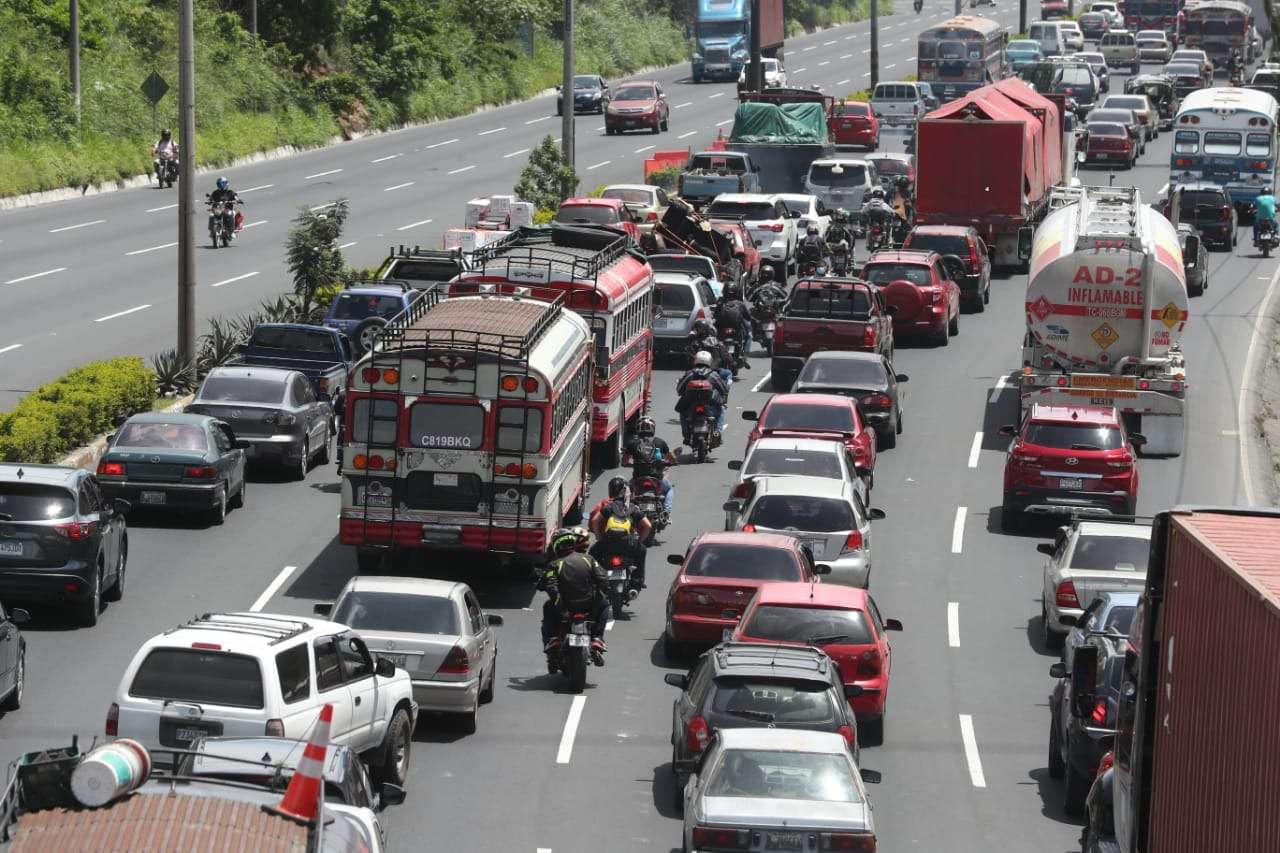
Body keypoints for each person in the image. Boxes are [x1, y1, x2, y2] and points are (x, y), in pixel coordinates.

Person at [539, 527, 611, 666]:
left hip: (565, 608)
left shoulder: (554, 565)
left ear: (556, 546)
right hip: (589, 606)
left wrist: (559, 603)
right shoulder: (589, 559)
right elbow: (603, 580)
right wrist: (601, 594)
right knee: (605, 604)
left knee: (547, 606)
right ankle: (597, 638)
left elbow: (550, 586)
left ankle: (552, 640)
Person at [589, 477, 653, 593]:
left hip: (608, 543)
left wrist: (599, 538)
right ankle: (637, 582)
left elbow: (594, 521)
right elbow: (648, 526)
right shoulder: (633, 508)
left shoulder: (608, 506)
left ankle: (594, 581)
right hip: (629, 544)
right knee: (642, 550)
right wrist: (639, 542)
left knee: (593, 552)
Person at [624, 416, 676, 512]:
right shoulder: (660, 442)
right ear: (653, 428)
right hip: (656, 478)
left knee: (626, 490)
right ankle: (667, 510)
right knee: (669, 489)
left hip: (638, 478)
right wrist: (671, 462)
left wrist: (631, 464)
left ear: (638, 428)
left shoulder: (632, 443)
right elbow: (671, 458)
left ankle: (626, 511)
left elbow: (624, 461)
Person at [676, 350, 730, 440]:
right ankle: (717, 432)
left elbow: (679, 389)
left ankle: (686, 433)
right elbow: (724, 390)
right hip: (710, 406)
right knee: (721, 410)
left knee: (682, 412)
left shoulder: (689, 373)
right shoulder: (713, 375)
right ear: (710, 361)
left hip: (690, 406)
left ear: (696, 360)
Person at [714, 282, 753, 368]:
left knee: (714, 338)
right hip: (736, 329)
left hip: (722, 329)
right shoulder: (740, 304)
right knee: (749, 336)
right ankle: (745, 357)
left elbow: (715, 315)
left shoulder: (720, 303)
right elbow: (748, 317)